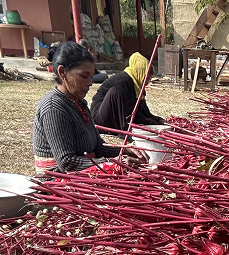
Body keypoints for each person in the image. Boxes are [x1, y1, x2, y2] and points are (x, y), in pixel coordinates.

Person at [33, 42, 145, 174]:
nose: (90, 82)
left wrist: (125, 149)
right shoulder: (54, 108)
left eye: (92, 77)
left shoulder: (79, 103)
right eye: (84, 76)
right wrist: (111, 163)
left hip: (84, 172)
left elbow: (98, 147)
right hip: (58, 179)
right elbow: (67, 163)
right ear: (62, 72)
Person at [91, 52, 164, 134]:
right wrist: (151, 123)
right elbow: (130, 112)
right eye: (145, 78)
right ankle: (125, 131)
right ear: (139, 73)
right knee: (116, 91)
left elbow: (144, 112)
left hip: (114, 119)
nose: (147, 82)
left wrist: (159, 120)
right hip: (100, 119)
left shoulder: (137, 86)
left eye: (149, 80)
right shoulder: (123, 81)